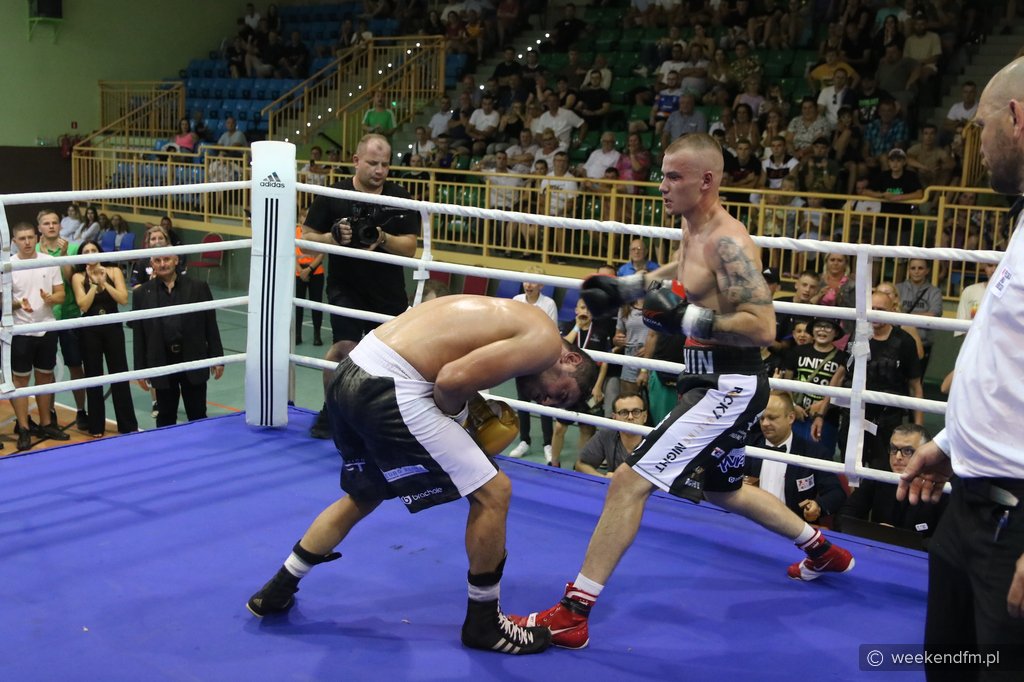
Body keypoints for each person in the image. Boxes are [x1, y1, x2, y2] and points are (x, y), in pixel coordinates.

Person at [512, 134, 854, 649]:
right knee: (724, 490)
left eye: (674, 176)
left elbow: (764, 327)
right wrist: (628, 289)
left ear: (706, 180)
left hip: (728, 384)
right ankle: (823, 551)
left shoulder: (729, 241)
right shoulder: (692, 226)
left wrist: (689, 319)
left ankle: (573, 613)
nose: (663, 185)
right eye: (663, 174)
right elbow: (685, 273)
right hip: (705, 378)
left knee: (628, 481)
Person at [245, 295, 599, 655]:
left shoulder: (515, 318)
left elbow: (447, 364)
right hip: (391, 386)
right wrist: (463, 422)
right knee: (494, 491)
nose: (546, 402)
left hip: (351, 374)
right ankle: (484, 623)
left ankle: (277, 588)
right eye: (561, 394)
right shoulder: (545, 341)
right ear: (570, 359)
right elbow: (450, 382)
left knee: (366, 494)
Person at [897, 57, 1024, 680]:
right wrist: (953, 442)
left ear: (1017, 118)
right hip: (972, 499)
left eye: (982, 127)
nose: (977, 145)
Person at [304, 134, 421, 439]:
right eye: (372, 163)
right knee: (344, 348)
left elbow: (410, 248)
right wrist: (332, 237)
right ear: (356, 161)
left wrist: (382, 237)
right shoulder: (334, 193)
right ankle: (331, 410)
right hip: (345, 286)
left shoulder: (399, 198)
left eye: (385, 164)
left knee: (392, 358)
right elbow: (307, 237)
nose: (379, 170)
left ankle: (386, 418)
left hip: (388, 290)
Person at [131, 253, 224, 426]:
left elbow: (210, 324)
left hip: (193, 356)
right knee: (165, 417)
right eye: (157, 260)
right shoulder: (142, 293)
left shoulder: (198, 287)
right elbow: (139, 334)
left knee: (198, 414)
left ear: (176, 260)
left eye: (166, 259)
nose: (162, 264)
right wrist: (140, 369)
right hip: (161, 360)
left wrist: (217, 357)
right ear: (152, 264)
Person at [9, 222, 71, 452]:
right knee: (20, 381)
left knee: (45, 377)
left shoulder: (48, 260)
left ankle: (46, 423)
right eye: (22, 238)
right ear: (14, 241)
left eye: (30, 237)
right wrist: (18, 304)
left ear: (36, 238)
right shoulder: (8, 265)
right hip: (20, 330)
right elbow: (2, 301)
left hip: (46, 327)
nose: (27, 242)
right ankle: (24, 427)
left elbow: (61, 294)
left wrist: (51, 299)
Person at [745, 392, 847, 526]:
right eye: (762, 418)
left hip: (793, 528)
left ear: (791, 418)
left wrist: (818, 506)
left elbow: (836, 493)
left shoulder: (814, 452)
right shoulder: (746, 447)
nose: (765, 423)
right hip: (749, 523)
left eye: (772, 418)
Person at [70, 239, 138, 437]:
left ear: (100, 252)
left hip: (113, 328)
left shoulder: (114, 271)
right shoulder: (78, 277)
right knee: (93, 375)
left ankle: (127, 424)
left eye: (94, 250)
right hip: (90, 331)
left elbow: (123, 299)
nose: (91, 253)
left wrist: (104, 283)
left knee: (119, 374)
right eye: (86, 251)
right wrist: (93, 285)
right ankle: (96, 426)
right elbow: (83, 305)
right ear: (81, 257)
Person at [840, 423, 946, 544]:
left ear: (926, 453)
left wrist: (895, 538)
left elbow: (946, 543)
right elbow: (845, 516)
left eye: (908, 451)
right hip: (878, 550)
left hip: (919, 555)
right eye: (894, 449)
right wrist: (872, 532)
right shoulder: (879, 472)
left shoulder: (942, 483)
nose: (898, 456)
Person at [36, 209, 89, 431]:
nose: (51, 226)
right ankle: (50, 412)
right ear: (39, 227)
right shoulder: (33, 251)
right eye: (46, 223)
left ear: (60, 225)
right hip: (44, 317)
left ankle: (81, 410)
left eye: (54, 222)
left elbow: (71, 280)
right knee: (46, 368)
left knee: (75, 365)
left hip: (70, 315)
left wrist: (65, 255)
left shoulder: (73, 248)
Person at [508, 267, 558, 462]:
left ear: (541, 285)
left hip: (541, 359)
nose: (528, 285)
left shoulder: (548, 303)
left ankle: (548, 443)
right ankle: (524, 441)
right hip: (521, 358)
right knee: (523, 401)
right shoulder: (516, 300)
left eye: (533, 281)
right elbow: (510, 328)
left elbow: (552, 333)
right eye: (526, 280)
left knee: (544, 402)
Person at [575, 393, 648, 478]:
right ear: (614, 417)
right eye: (624, 413)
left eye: (636, 412)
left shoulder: (657, 440)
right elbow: (581, 465)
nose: (630, 417)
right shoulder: (606, 434)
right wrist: (604, 478)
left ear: (645, 416)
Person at [294, 216, 325, 347]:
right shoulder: (294, 232)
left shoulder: (318, 233)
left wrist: (309, 269)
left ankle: (317, 335)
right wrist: (300, 271)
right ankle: (297, 335)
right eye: (303, 219)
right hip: (299, 272)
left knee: (316, 304)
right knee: (298, 305)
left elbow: (322, 253)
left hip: (316, 271)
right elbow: (291, 253)